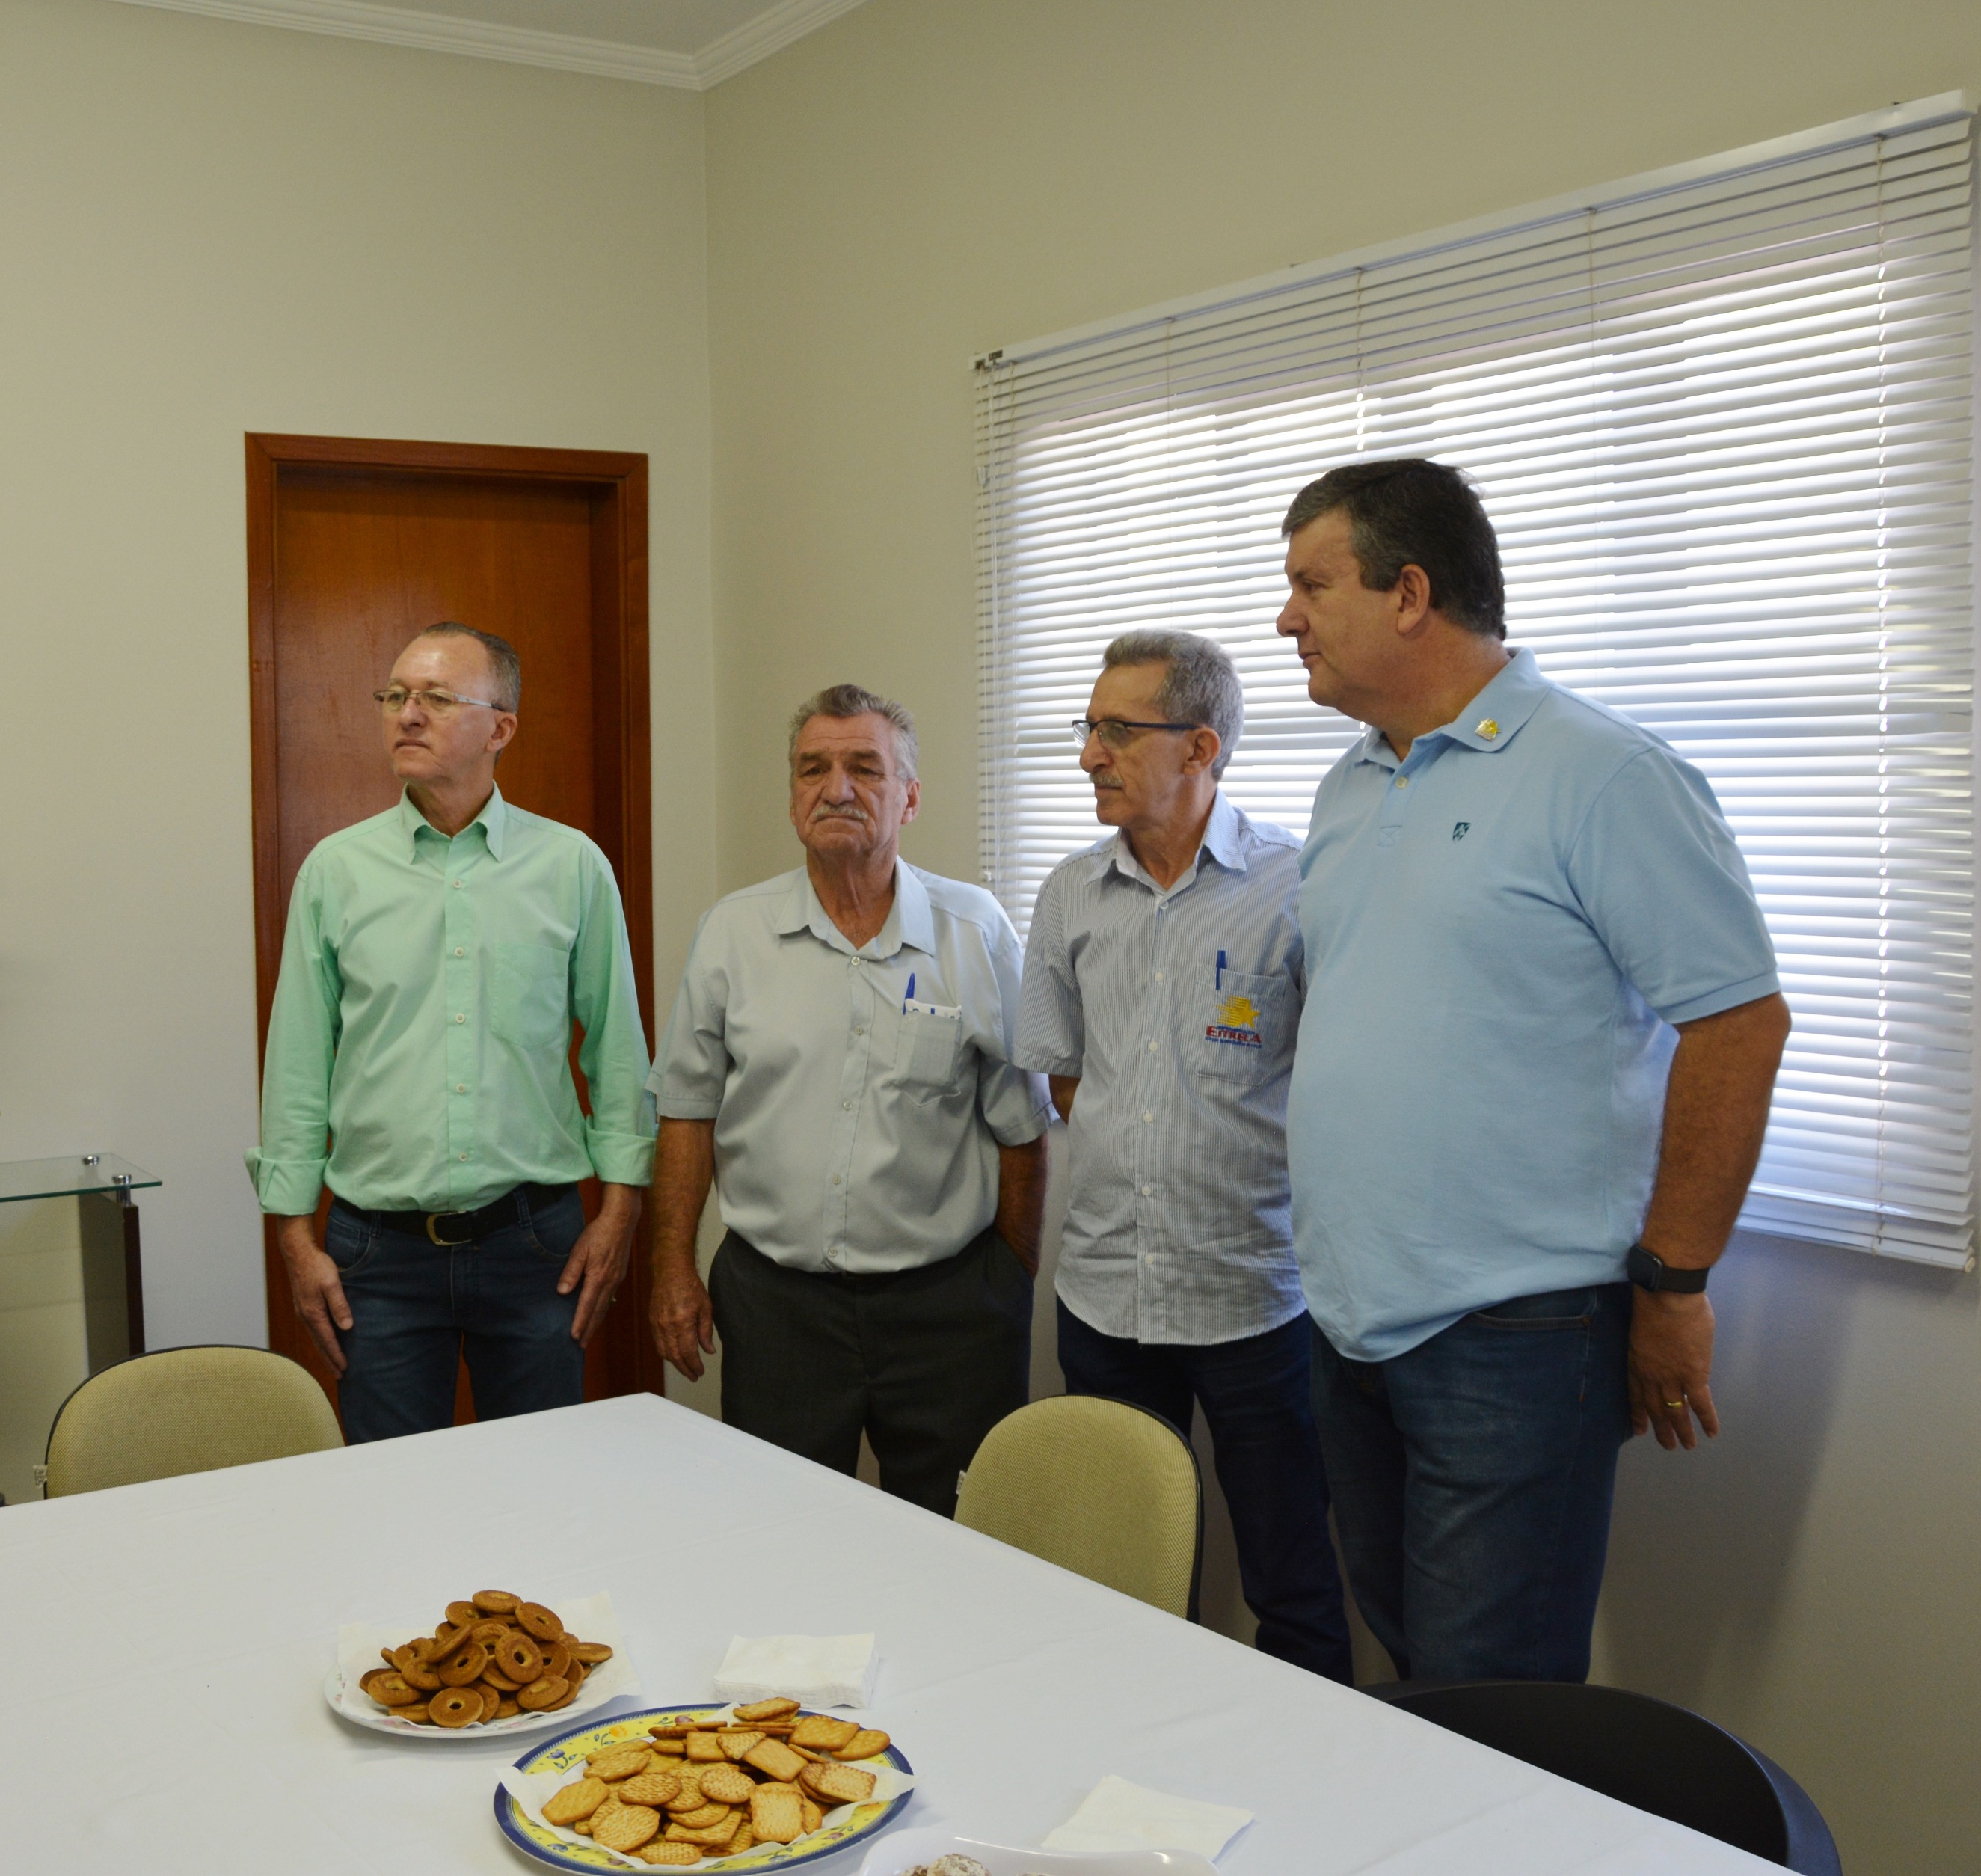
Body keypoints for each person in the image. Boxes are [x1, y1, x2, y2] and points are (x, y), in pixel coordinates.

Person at [1273, 458, 1790, 1683]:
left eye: (1311, 585)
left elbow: (1738, 1024)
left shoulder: (1602, 772)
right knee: (1409, 1667)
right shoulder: (1348, 784)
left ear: (1409, 594)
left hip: (1516, 1332)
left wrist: (1674, 1284)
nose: (1286, 618)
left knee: (1494, 1701)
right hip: (1347, 1318)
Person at [1013, 630, 1351, 1682]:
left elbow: (1336, 1085)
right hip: (1105, 1293)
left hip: (1254, 1298)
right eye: (1088, 728)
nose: (1089, 755)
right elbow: (1068, 1080)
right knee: (1121, 1576)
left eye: (1117, 731)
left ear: (1201, 746)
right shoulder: (1071, 893)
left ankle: (1305, 1764)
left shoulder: (1296, 886)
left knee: (1291, 1580)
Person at [646, 684, 1051, 1514]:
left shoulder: (973, 931)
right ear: (792, 793)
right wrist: (672, 1267)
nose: (836, 789)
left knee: (955, 1536)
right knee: (779, 1532)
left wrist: (1007, 1280)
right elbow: (687, 1109)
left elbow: (1021, 1123)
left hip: (946, 1313)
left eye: (865, 768)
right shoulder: (733, 932)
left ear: (910, 796)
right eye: (813, 769)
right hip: (777, 1308)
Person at [253, 622, 654, 1442]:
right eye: (395, 696)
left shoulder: (571, 866)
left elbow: (618, 1051)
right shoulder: (335, 871)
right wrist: (294, 1236)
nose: (406, 713)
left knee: (539, 1480)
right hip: (377, 1253)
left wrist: (620, 1213)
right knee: (394, 1493)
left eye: (435, 698)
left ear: (500, 728)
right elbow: (297, 1065)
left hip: (535, 1243)